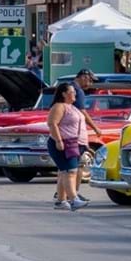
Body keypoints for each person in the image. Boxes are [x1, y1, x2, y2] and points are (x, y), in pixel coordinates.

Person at [46, 79, 88, 210]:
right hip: (62, 143)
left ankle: (61, 201)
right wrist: (59, 141)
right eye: (72, 92)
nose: (75, 94)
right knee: (70, 172)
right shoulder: (59, 106)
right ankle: (74, 200)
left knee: (64, 172)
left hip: (73, 143)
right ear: (64, 94)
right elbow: (52, 124)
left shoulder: (72, 107)